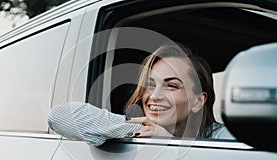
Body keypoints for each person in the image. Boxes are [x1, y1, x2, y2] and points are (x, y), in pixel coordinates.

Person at [48, 44, 235, 146]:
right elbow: (58, 116)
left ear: (198, 101)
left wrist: (172, 144)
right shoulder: (138, 132)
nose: (154, 95)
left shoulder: (225, 138)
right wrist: (129, 127)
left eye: (171, 86)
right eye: (149, 85)